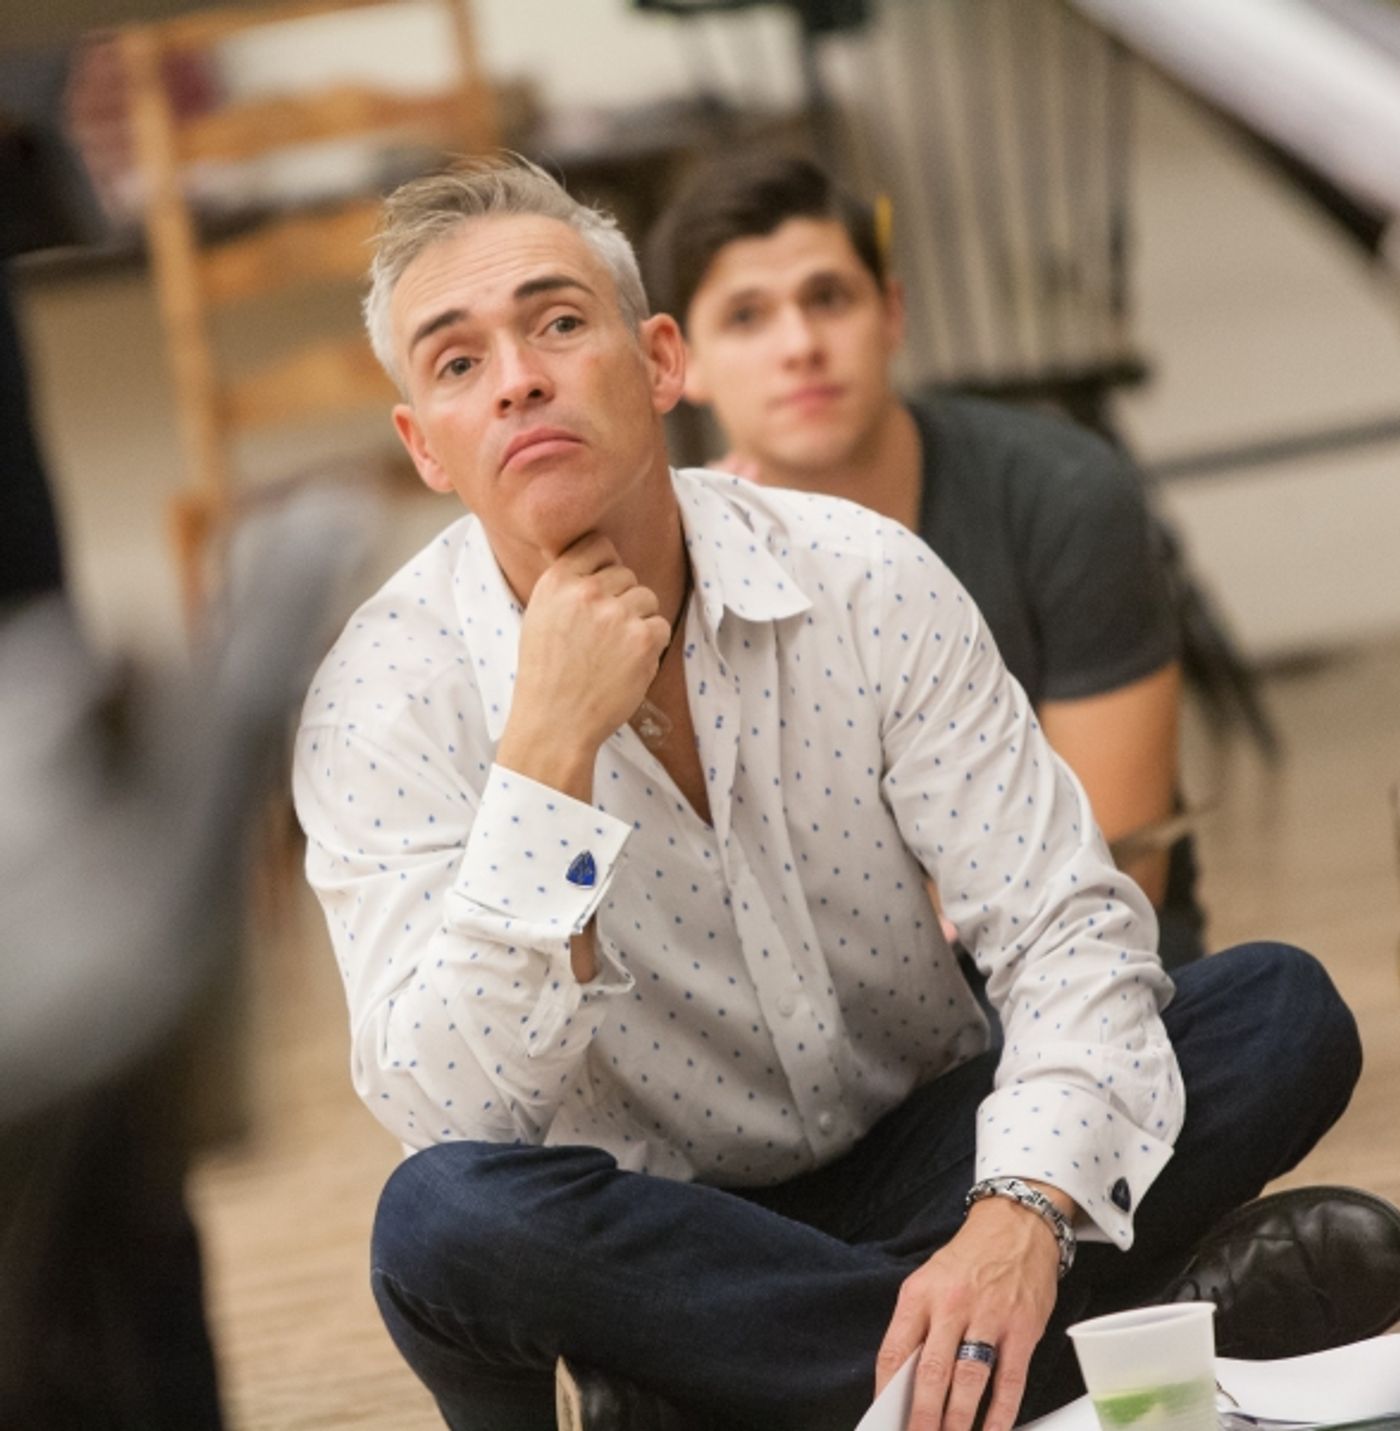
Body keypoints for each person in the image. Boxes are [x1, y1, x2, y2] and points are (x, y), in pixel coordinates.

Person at [292, 157, 1394, 1431]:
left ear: (657, 363)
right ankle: (1058, 1369)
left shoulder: (863, 577)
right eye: (456, 362)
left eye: (555, 323)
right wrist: (546, 754)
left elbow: (1065, 927)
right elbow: (452, 1109)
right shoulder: (380, 698)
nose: (519, 378)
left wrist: (1015, 1215)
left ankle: (731, 1394)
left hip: (935, 1143)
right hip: (659, 1231)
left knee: (1277, 1011)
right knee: (439, 1223)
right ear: (423, 446)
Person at [643, 154, 1203, 969]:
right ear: (678, 364)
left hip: (1074, 947)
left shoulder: (1065, 492)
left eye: (827, 298)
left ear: (892, 315)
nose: (800, 345)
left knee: (1281, 1013)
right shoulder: (676, 564)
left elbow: (1123, 857)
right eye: (747, 317)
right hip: (837, 1004)